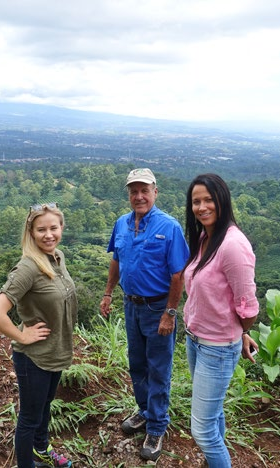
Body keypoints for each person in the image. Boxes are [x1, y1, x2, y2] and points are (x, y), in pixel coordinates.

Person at [99, 168, 189, 462]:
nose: (139, 196)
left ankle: (157, 426)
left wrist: (170, 313)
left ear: (155, 192)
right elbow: (116, 259)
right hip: (131, 304)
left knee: (158, 367)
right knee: (137, 364)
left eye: (144, 191)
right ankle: (145, 411)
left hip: (157, 307)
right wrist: (108, 292)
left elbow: (178, 275)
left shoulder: (169, 227)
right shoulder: (121, 224)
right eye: (133, 191)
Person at [0, 202, 76, 468]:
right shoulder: (27, 267)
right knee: (29, 417)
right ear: (31, 233)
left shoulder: (57, 257)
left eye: (54, 228)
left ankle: (41, 449)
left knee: (45, 406)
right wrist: (23, 336)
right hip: (34, 358)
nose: (49, 235)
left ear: (61, 228)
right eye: (41, 230)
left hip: (55, 352)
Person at [182, 173, 259, 467]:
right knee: (212, 416)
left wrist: (238, 331)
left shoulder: (233, 245)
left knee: (201, 431)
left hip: (216, 348)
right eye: (196, 201)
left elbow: (248, 307)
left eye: (208, 200)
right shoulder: (205, 236)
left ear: (222, 200)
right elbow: (218, 299)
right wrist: (239, 332)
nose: (201, 207)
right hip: (196, 339)